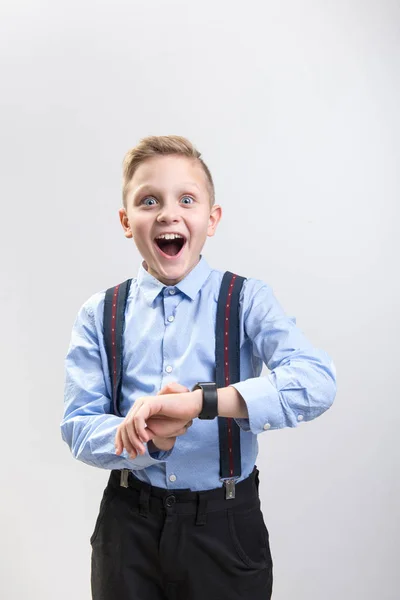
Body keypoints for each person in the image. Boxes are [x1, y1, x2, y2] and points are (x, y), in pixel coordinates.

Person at [61, 135, 336, 600]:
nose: (169, 213)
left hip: (225, 530)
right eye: (150, 201)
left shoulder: (247, 300)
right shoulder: (99, 313)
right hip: (128, 528)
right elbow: (78, 426)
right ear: (127, 222)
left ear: (212, 219)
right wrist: (147, 439)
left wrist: (202, 402)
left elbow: (315, 381)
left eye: (187, 199)